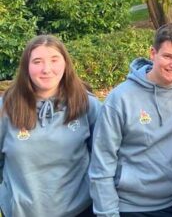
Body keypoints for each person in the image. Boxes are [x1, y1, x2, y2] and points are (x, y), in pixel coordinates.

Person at [89, 23, 172, 216]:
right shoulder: (120, 99)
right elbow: (102, 164)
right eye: (167, 56)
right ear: (153, 53)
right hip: (129, 207)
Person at [0, 35, 100, 217]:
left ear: (66, 64)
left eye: (54, 60)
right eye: (37, 61)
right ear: (26, 67)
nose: (46, 69)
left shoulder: (87, 105)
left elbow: (103, 159)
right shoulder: (5, 108)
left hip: (80, 210)